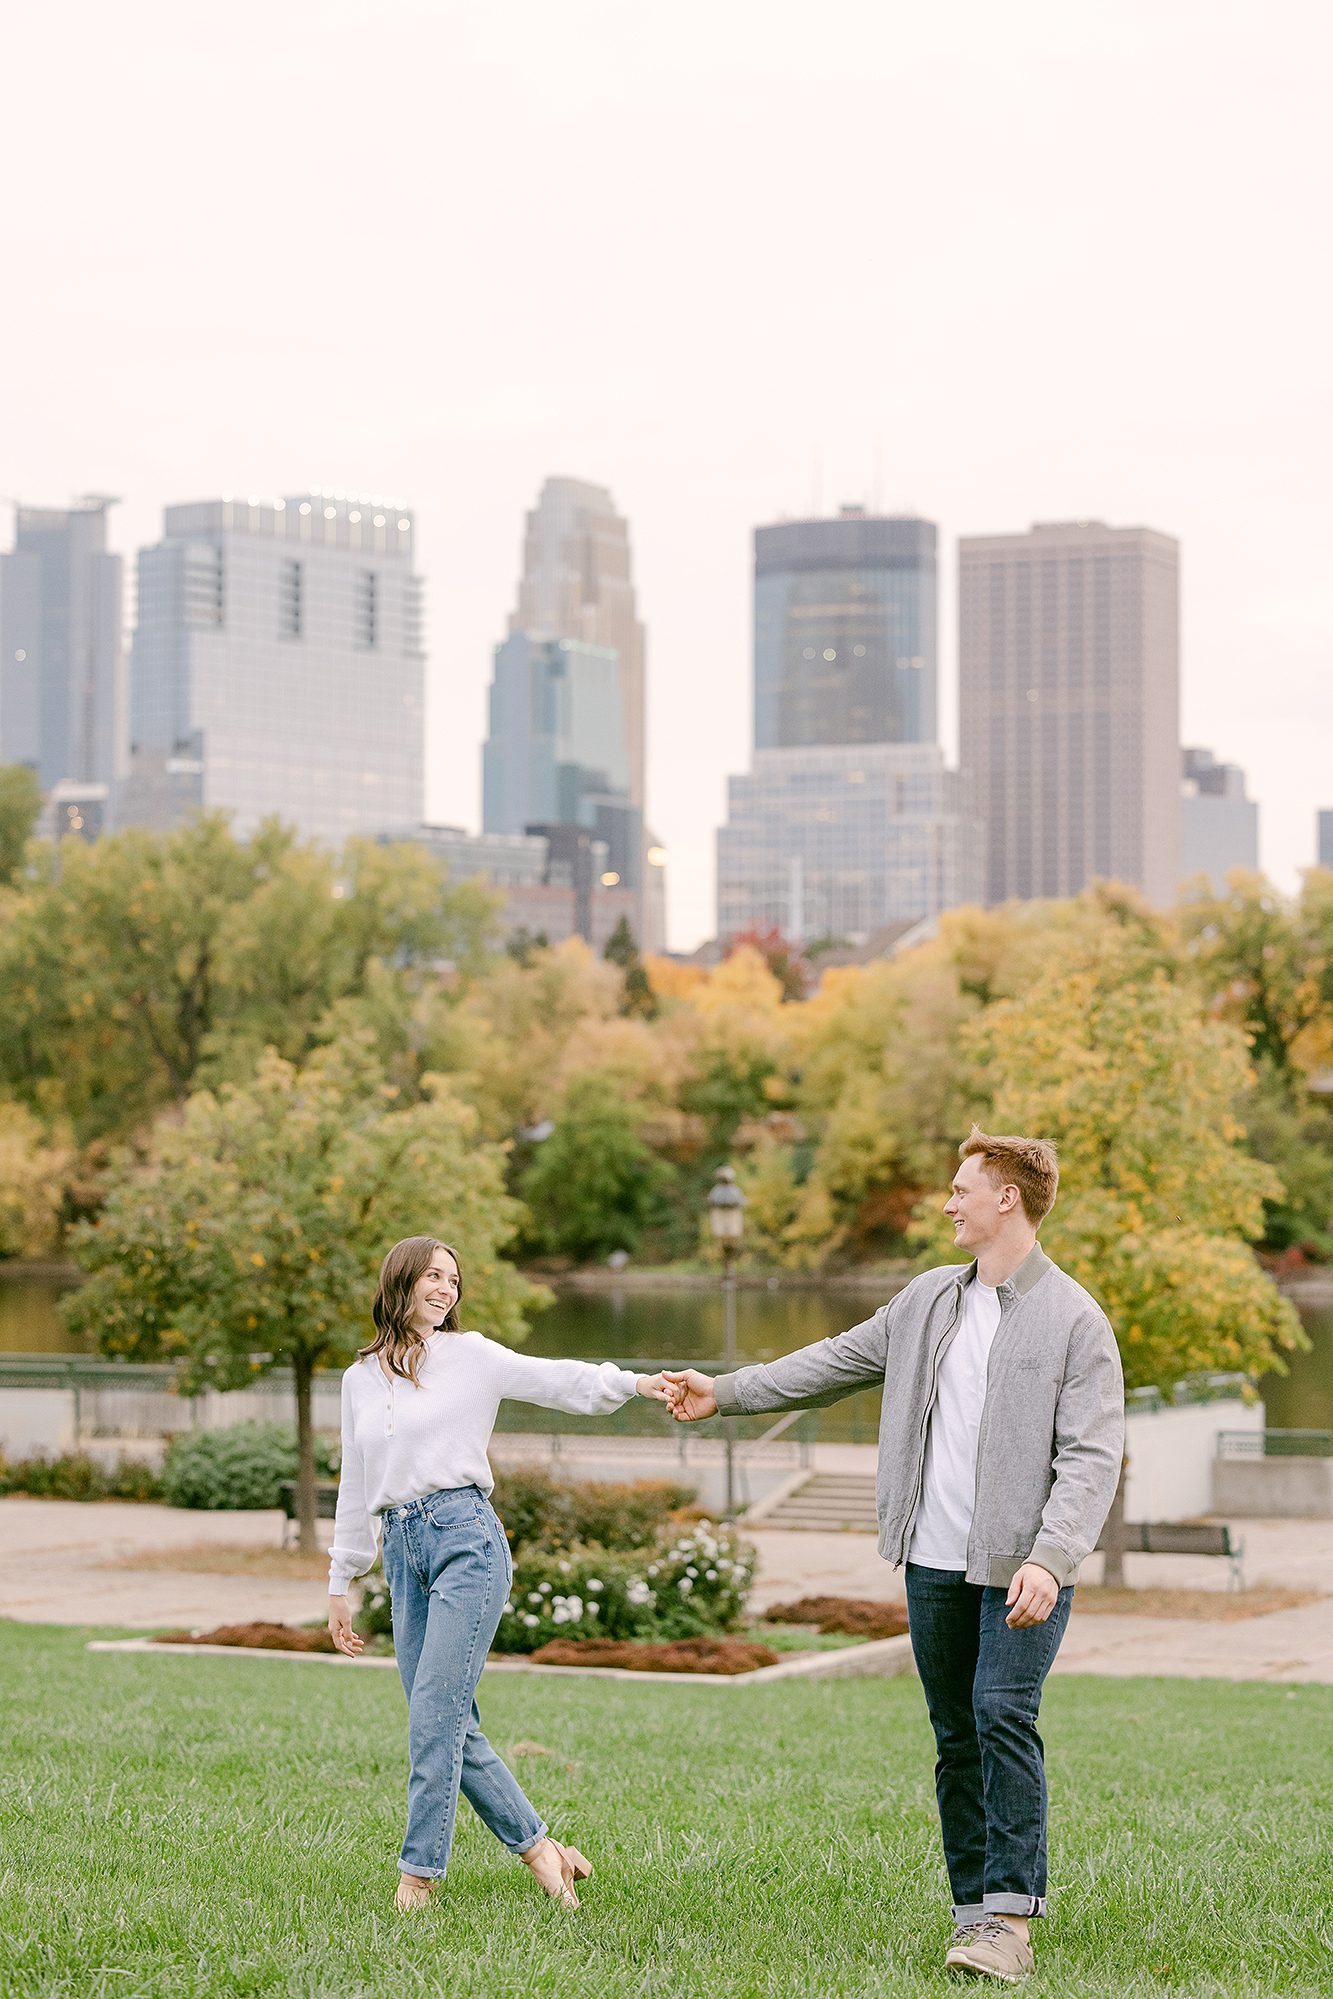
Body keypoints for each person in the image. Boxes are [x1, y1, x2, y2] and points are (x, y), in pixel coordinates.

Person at [665, 1128, 1123, 1985]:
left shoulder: (1073, 1319)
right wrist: (722, 1391)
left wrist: (1051, 1556)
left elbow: (1092, 1456)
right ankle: (971, 1909)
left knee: (1001, 1716)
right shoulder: (926, 1301)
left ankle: (1012, 1921)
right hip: (931, 1562)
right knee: (955, 1735)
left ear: (1006, 1199)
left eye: (960, 1189)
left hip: (1021, 1570)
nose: (946, 1202)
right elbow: (828, 1364)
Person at [328, 1234, 676, 1912]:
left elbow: (561, 1380)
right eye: (432, 1275)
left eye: (453, 1280)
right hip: (401, 1548)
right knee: (449, 1718)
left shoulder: (473, 1356)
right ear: (398, 1279)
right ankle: (543, 1849)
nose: (445, 1289)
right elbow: (354, 1481)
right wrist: (343, 1576)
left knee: (434, 1714)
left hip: (466, 1540)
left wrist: (635, 1382)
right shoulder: (357, 1377)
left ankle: (418, 1878)